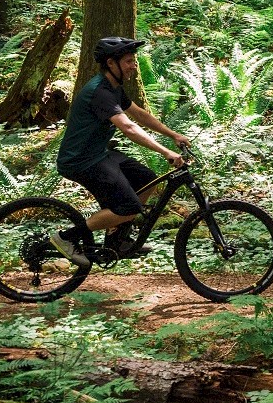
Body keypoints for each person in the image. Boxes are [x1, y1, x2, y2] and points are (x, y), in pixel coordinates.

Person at [49, 36, 189, 268]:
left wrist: (173, 135)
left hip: (98, 154)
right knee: (129, 207)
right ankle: (66, 238)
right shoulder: (99, 92)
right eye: (128, 61)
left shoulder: (114, 88)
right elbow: (128, 127)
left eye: (133, 60)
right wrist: (166, 152)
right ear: (111, 64)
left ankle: (116, 239)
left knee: (146, 179)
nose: (134, 65)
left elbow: (140, 115)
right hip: (81, 161)